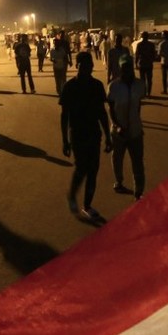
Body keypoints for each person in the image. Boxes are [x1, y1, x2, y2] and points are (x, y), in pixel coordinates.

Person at [60, 51, 113, 221]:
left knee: (93, 171)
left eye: (89, 66)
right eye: (83, 66)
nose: (87, 69)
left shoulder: (97, 85)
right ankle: (72, 194)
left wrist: (108, 136)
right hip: (77, 133)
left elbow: (102, 113)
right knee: (82, 168)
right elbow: (64, 115)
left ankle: (87, 206)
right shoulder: (69, 87)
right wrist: (65, 141)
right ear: (77, 66)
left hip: (94, 133)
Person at [108, 54, 146, 199]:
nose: (127, 70)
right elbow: (111, 109)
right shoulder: (113, 86)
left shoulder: (140, 84)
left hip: (135, 130)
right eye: (124, 67)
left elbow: (138, 106)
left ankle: (139, 191)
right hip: (118, 132)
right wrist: (117, 126)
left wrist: (136, 121)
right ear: (120, 68)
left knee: (138, 161)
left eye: (129, 67)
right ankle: (119, 182)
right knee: (117, 159)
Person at [134, 31, 157, 97]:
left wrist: (136, 63)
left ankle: (144, 93)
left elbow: (137, 55)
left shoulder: (140, 45)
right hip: (149, 64)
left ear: (142, 37)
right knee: (149, 79)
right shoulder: (151, 45)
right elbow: (154, 54)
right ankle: (148, 93)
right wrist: (151, 60)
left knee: (142, 79)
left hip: (142, 63)